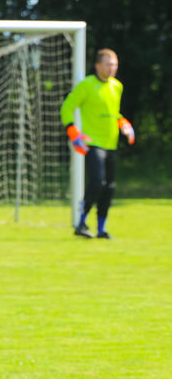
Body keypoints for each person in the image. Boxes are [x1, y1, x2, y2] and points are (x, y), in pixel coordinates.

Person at [61, 48, 135, 239]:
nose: (112, 68)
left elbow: (114, 113)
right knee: (97, 182)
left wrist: (124, 123)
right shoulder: (86, 85)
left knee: (109, 187)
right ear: (98, 66)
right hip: (92, 143)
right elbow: (67, 108)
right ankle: (81, 223)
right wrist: (72, 131)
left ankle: (101, 229)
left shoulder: (116, 86)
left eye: (115, 64)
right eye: (108, 64)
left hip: (111, 145)